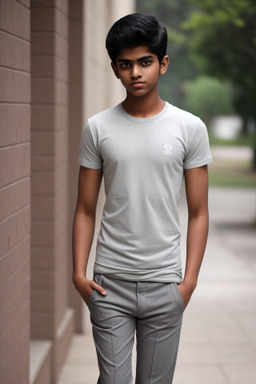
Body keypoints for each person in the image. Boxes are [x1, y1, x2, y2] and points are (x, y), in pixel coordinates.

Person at [72, 13, 212, 384]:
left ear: (163, 64)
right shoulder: (98, 128)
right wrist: (78, 275)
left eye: (145, 62)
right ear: (116, 69)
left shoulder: (189, 128)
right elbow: (85, 208)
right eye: (125, 64)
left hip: (165, 283)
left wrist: (188, 283)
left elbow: (199, 213)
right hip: (109, 284)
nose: (136, 72)